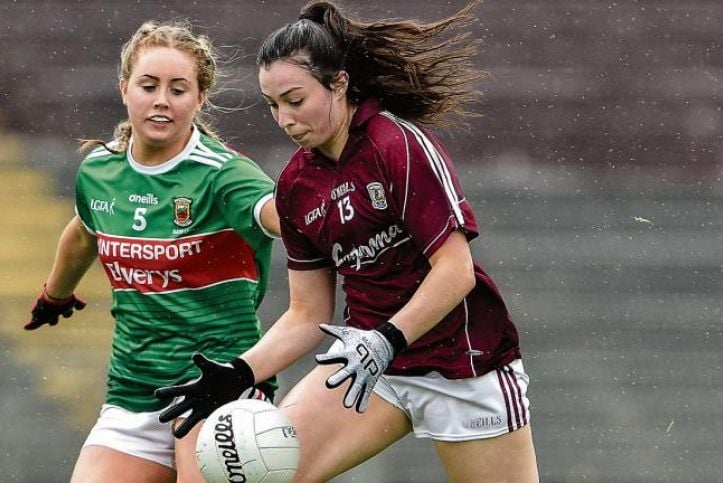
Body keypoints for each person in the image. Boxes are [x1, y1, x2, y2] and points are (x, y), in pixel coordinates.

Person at [156, 1, 540, 481]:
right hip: (369, 370)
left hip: (464, 367)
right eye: (273, 105)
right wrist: (240, 372)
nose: (284, 119)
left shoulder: (395, 144)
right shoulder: (297, 185)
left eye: (295, 100)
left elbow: (455, 272)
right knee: (261, 473)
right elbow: (307, 313)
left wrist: (387, 339)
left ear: (338, 82)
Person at [24, 19, 280, 483]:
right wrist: (55, 295)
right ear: (125, 89)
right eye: (149, 85)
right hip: (134, 390)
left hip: (220, 389)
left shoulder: (224, 174)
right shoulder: (100, 171)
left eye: (178, 89)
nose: (162, 99)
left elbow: (280, 217)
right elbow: (84, 233)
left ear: (199, 98)